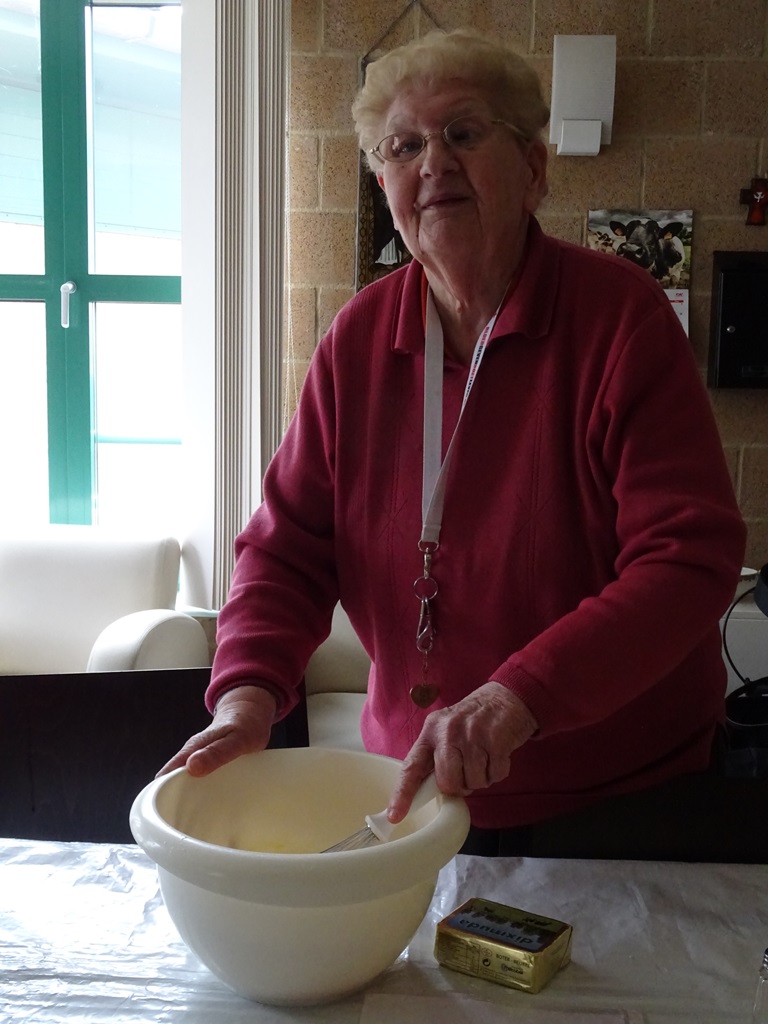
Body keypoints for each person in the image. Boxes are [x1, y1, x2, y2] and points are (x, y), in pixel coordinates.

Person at [161, 28, 746, 852]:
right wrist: (246, 696)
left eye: (464, 133)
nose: (433, 163)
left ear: (534, 170)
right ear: (386, 186)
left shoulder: (622, 320)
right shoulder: (356, 341)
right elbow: (288, 549)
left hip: (623, 797)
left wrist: (519, 697)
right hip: (416, 787)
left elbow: (688, 558)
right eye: (404, 147)